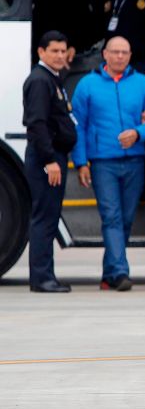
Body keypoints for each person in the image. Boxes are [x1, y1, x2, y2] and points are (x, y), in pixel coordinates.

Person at [71, 36, 145, 291]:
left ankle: (110, 272)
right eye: (115, 52)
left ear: (130, 55)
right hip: (102, 162)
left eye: (124, 52)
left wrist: (138, 133)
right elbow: (79, 126)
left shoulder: (143, 83)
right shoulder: (87, 84)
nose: (120, 57)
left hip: (135, 160)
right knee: (111, 217)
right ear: (105, 54)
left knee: (126, 219)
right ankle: (121, 272)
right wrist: (81, 162)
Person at [22, 31, 77, 293]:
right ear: (41, 52)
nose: (59, 56)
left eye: (62, 51)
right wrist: (49, 161)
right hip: (47, 159)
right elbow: (37, 123)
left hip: (53, 155)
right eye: (53, 51)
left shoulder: (53, 79)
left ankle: (46, 275)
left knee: (49, 216)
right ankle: (42, 278)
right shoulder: (40, 81)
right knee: (44, 218)